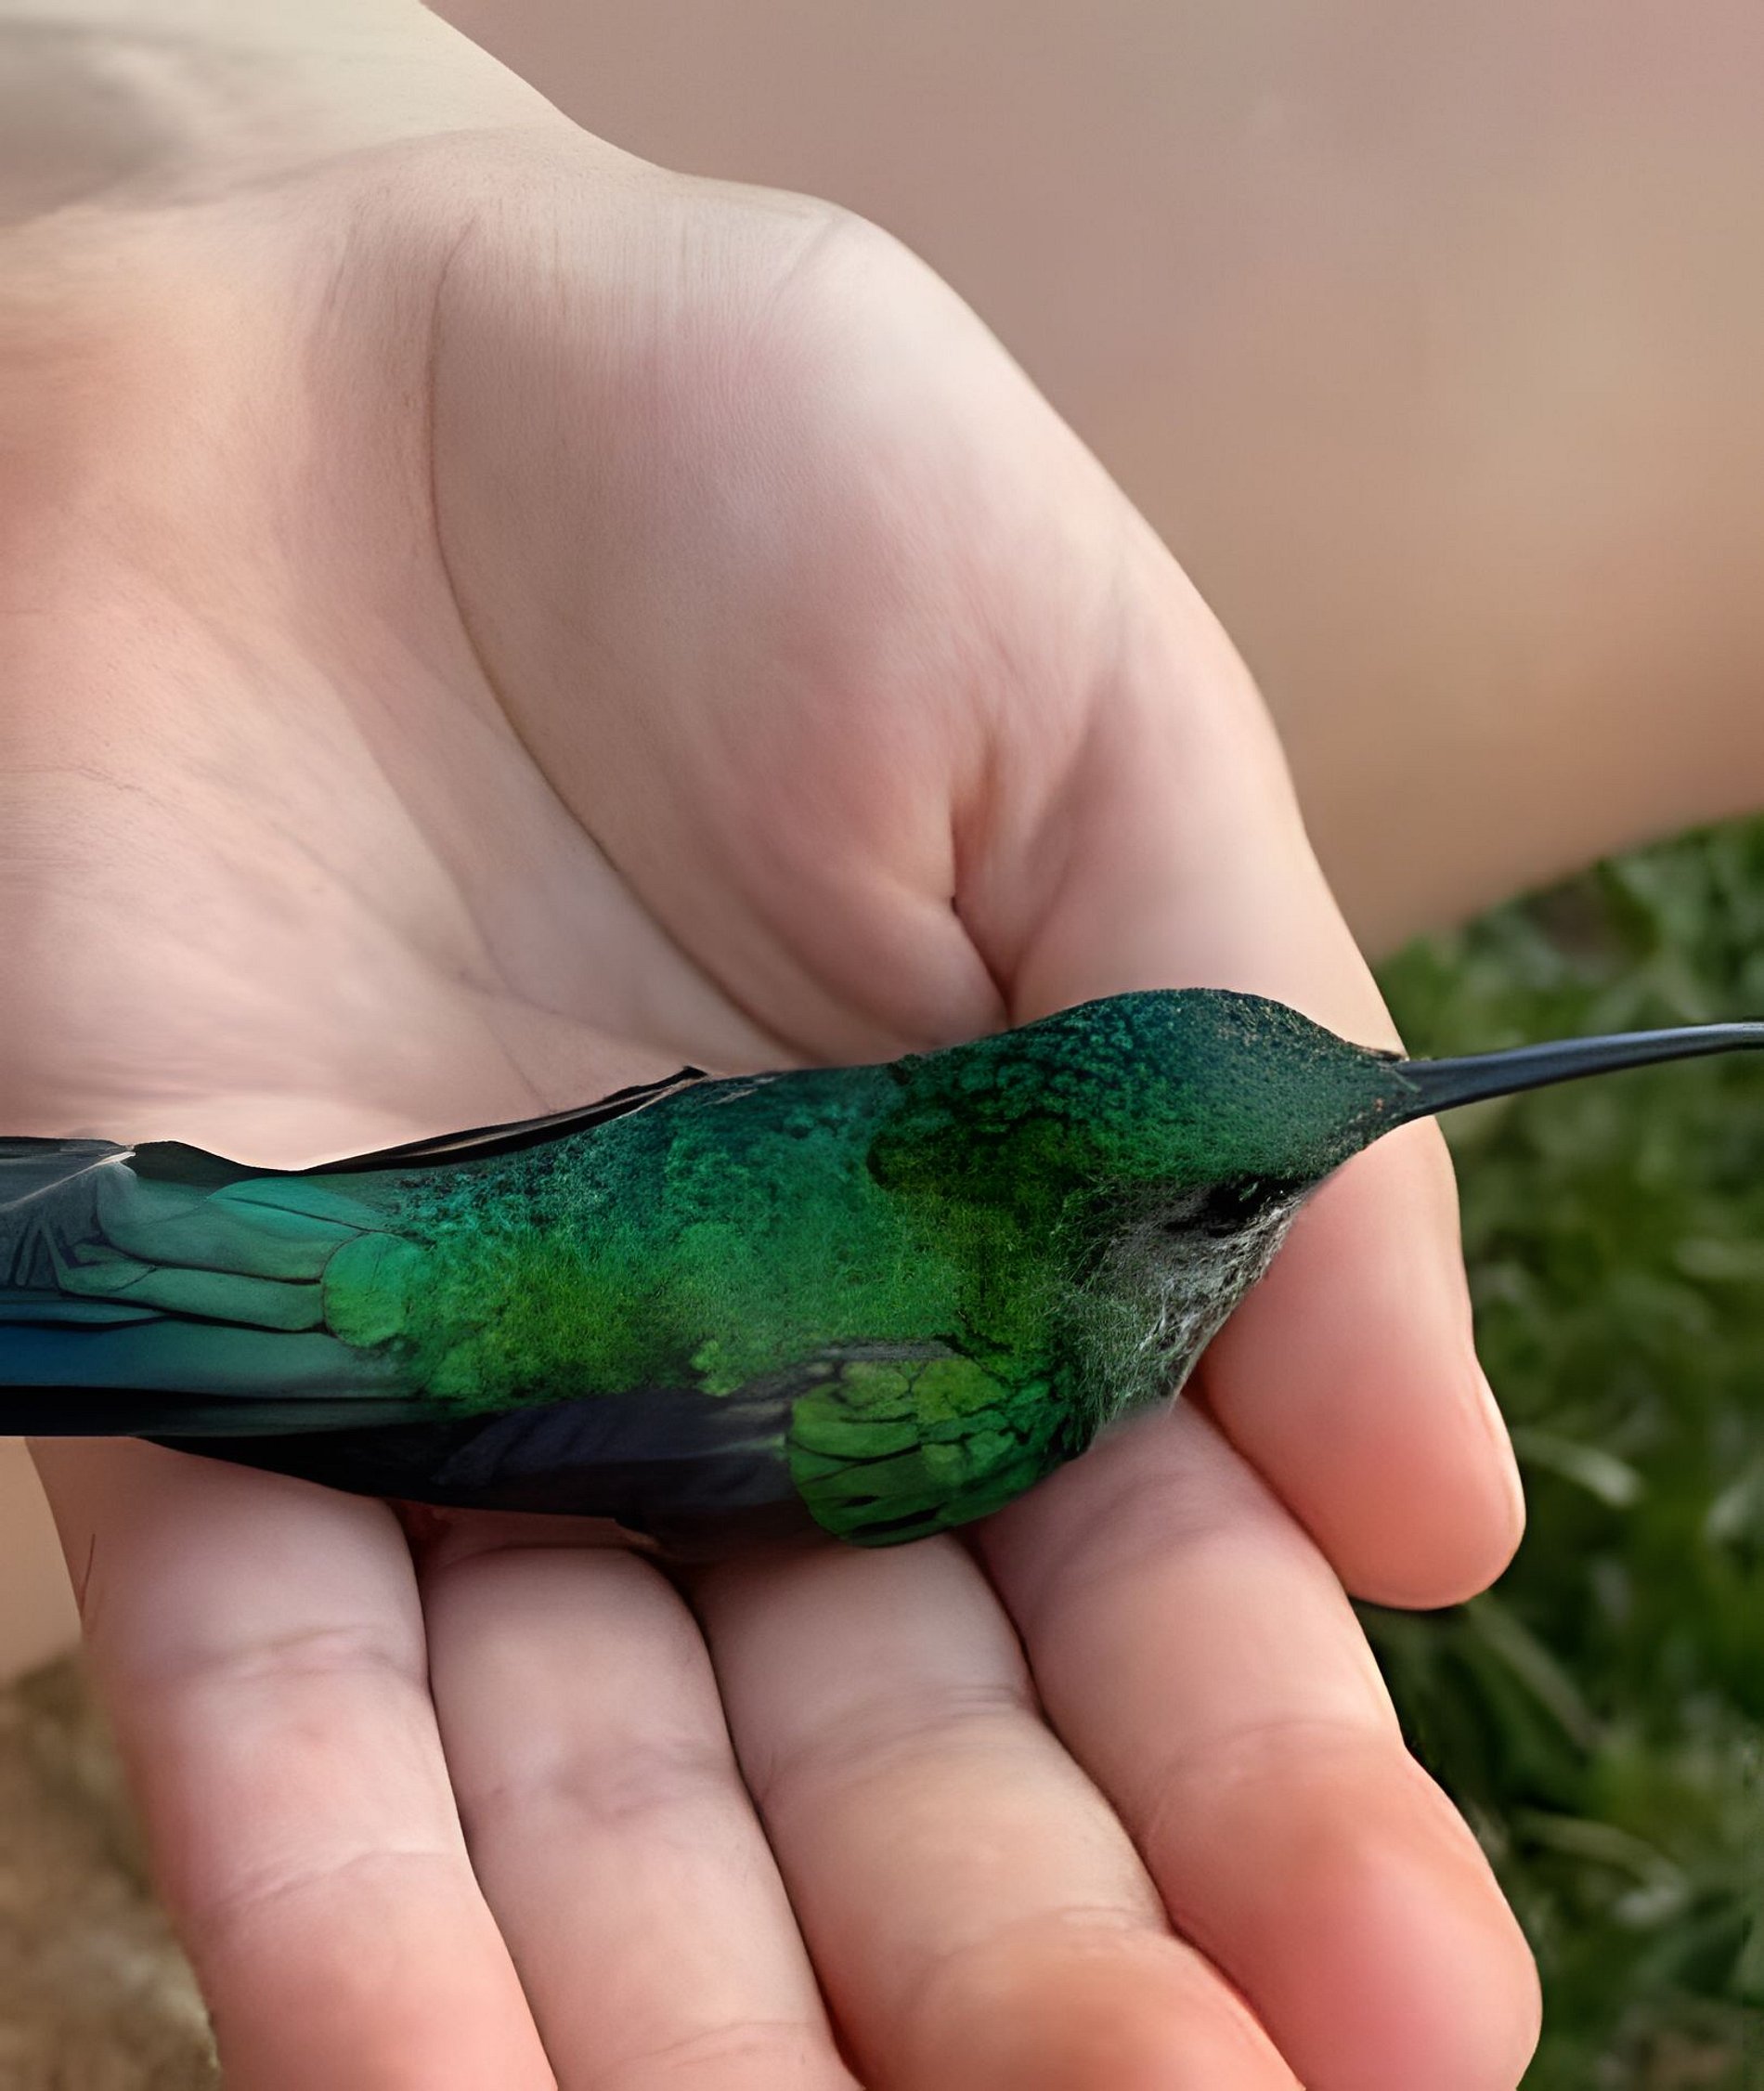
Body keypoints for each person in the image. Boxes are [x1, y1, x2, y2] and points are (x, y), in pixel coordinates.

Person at [2, 4, 1549, 2085]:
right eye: (1241, 1197)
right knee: (225, 1325)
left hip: (557, 1231)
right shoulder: (1009, 1396)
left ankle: (116, 1252)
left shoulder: (925, 1132)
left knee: (204, 1304)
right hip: (513, 1328)